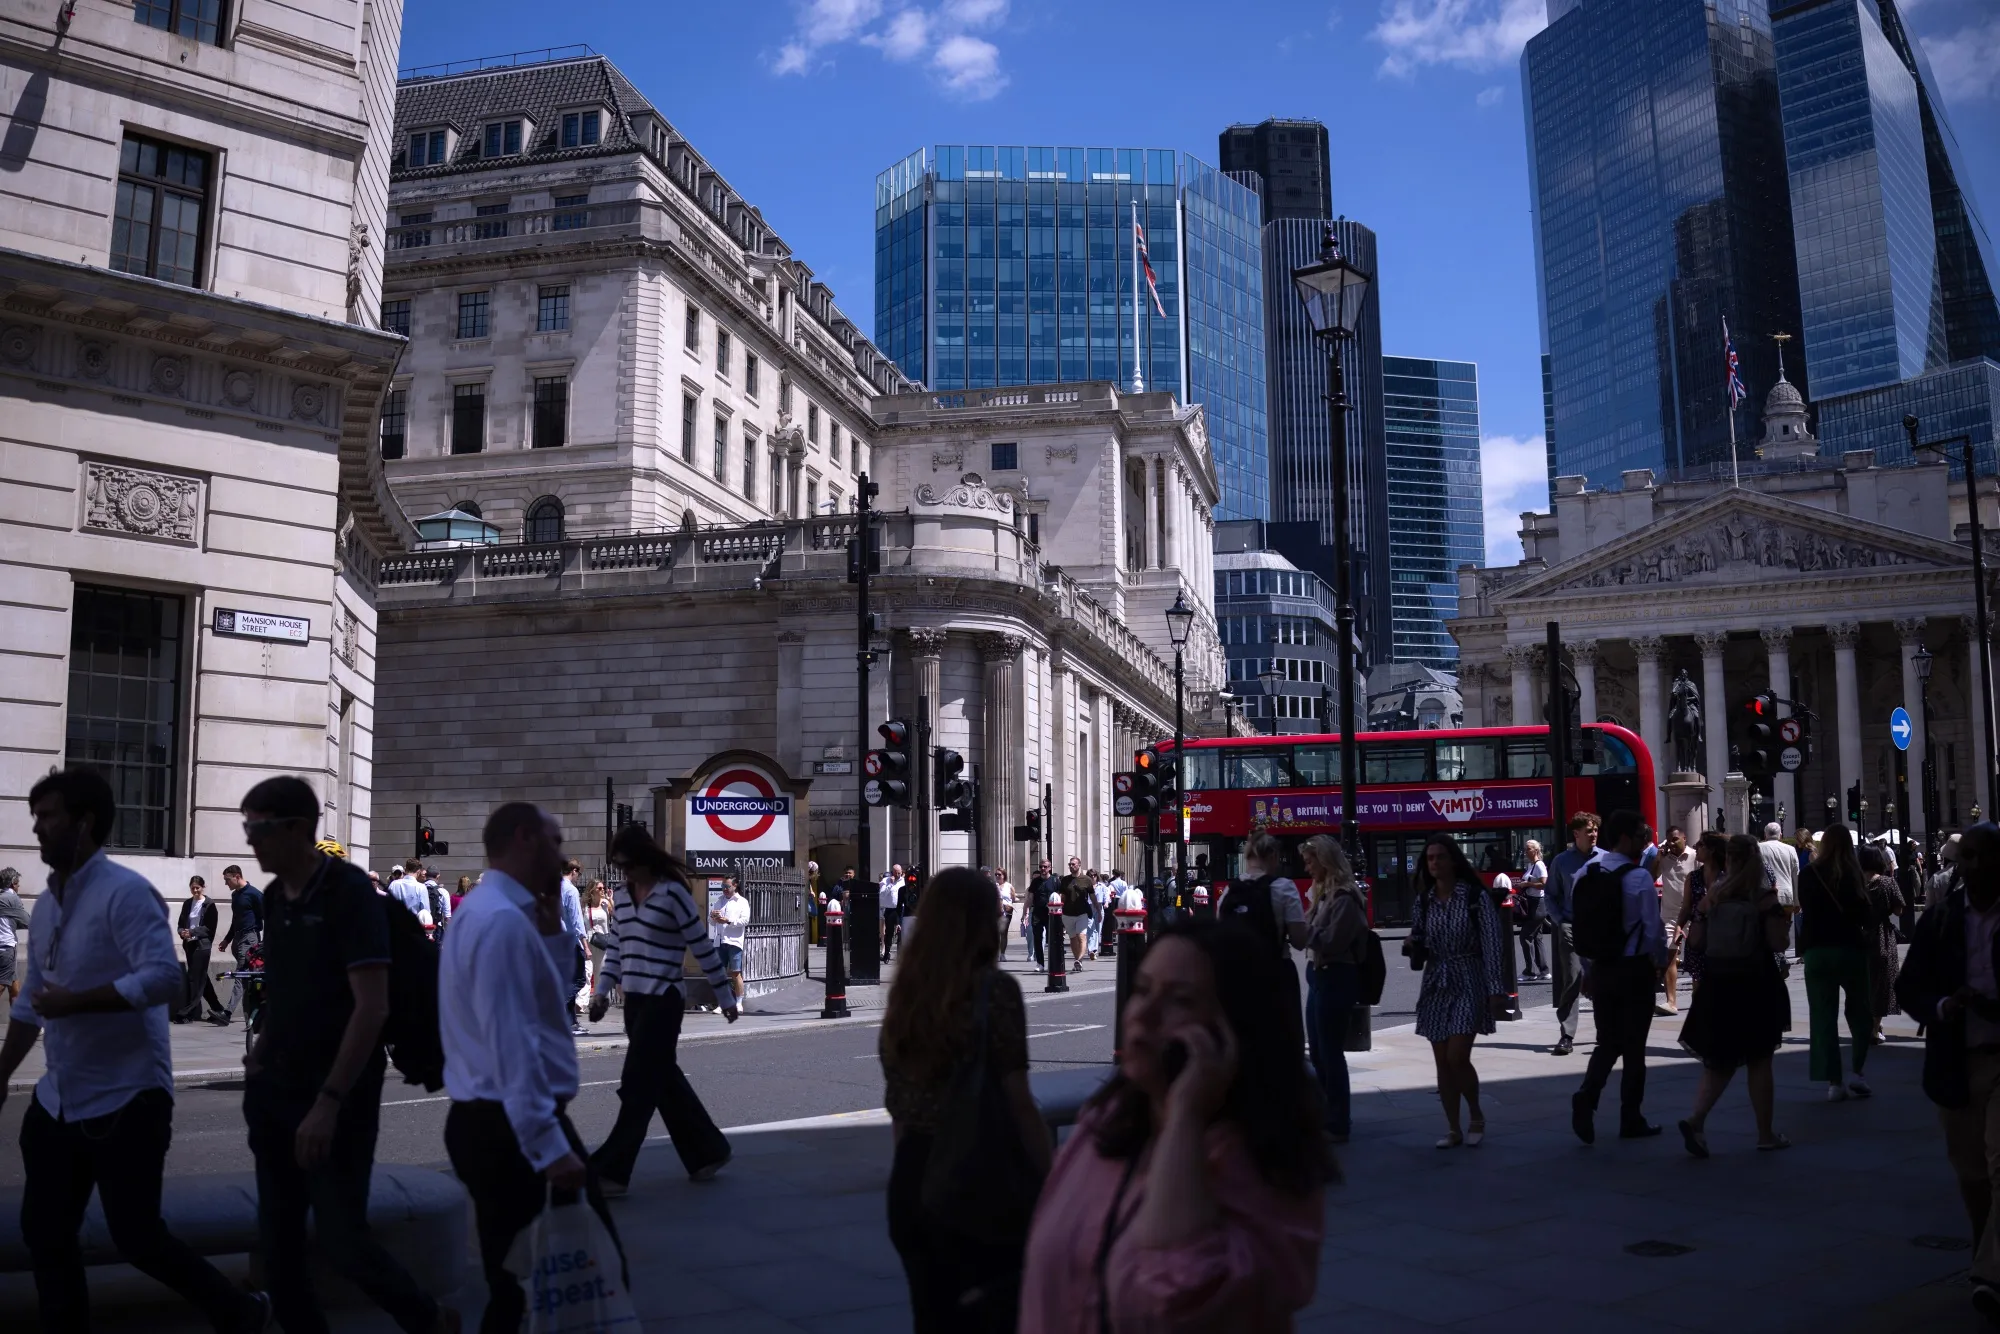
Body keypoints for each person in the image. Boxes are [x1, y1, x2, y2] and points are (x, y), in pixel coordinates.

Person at [0, 767, 273, 1333]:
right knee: (46, 1233)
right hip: (58, 1102)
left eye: (48, 817)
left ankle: (242, 1313)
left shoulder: (126, 893)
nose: (37, 829)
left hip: (130, 1100)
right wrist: (2, 1074)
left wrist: (78, 1002)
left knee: (138, 1238)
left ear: (85, 822)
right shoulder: (46, 905)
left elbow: (163, 981)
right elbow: (31, 1003)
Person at [1017, 918, 1329, 1332]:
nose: (1143, 1014)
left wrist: (1185, 1117)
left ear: (1234, 1032)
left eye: (1180, 1001)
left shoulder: (1267, 1171)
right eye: (1142, 989)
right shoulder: (1103, 1124)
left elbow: (1182, 1299)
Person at [237, 776, 456, 1334]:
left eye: (256, 828)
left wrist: (329, 1102)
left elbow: (371, 1007)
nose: (249, 841)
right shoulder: (278, 899)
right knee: (279, 1249)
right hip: (277, 1090)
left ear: (294, 828)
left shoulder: (347, 893)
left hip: (337, 1091)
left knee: (342, 1240)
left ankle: (427, 1319)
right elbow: (285, 994)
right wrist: (259, 1058)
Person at [444, 803, 622, 1334]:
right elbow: (511, 1042)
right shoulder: (500, 923)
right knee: (586, 1278)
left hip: (495, 1122)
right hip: (514, 1128)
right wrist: (548, 1146)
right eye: (554, 840)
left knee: (517, 1289)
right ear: (524, 839)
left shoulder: (487, 911)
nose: (562, 854)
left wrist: (550, 936)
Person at [881, 867, 1052, 1331]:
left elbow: (899, 1106)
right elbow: (1017, 1100)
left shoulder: (905, 994)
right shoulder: (995, 991)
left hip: (913, 1177)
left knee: (931, 1315)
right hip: (976, 1171)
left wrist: (913, 1176)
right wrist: (1052, 1178)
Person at [588, 824, 741, 1192]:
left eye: (628, 866)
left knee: (638, 1083)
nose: (624, 874)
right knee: (661, 1079)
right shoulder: (623, 899)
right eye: (619, 868)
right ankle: (708, 1150)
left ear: (644, 860)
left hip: (664, 1000)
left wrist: (724, 996)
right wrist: (601, 993)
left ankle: (612, 1170)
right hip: (635, 1003)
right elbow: (617, 952)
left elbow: (701, 946)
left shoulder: (673, 894)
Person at [1899, 823, 2000, 1324]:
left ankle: (1988, 1273)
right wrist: (1942, 1006)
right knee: (1972, 1175)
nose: (1975, 868)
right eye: (1968, 859)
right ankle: (1987, 1256)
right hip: (1957, 1059)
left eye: (1984, 858)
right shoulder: (1940, 921)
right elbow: (1909, 988)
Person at [1674, 833, 1791, 1157]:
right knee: (1759, 1060)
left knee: (1720, 1060)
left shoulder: (1713, 896)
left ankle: (1696, 1119)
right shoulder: (1763, 896)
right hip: (1755, 982)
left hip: (1718, 983)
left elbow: (1695, 941)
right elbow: (1778, 943)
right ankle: (1765, 1133)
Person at [1571, 809, 1669, 1144]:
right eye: (1642, 836)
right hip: (1634, 970)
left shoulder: (1585, 873)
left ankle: (1587, 1095)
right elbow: (1653, 930)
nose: (1646, 843)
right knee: (1634, 1049)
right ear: (1625, 838)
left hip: (1602, 971)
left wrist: (1588, 971)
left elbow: (1581, 928)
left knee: (1607, 1042)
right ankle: (1631, 1117)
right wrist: (1659, 962)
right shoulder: (1638, 877)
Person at [1409, 835, 1506, 1148]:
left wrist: (1495, 991)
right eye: (1429, 858)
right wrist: (1413, 945)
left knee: (1457, 1056)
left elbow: (1493, 946)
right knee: (1441, 1062)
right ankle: (1453, 1128)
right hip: (1436, 980)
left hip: (1469, 978)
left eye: (1440, 857)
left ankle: (1476, 1113)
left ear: (1453, 860)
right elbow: (1419, 938)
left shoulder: (1475, 897)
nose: (1434, 863)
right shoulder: (1423, 901)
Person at [1800, 824, 1878, 1101]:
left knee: (1823, 1016)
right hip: (1850, 948)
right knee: (1860, 1012)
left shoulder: (1809, 873)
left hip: (1818, 950)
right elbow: (1866, 914)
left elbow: (1805, 910)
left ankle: (1834, 1081)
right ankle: (1857, 1072)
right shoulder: (1854, 873)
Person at [1302, 834, 1367, 1144]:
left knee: (1330, 1053)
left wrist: (1304, 931)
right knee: (1317, 1052)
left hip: (1337, 976)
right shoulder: (1323, 894)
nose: (1307, 866)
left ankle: (1340, 1121)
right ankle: (1328, 1113)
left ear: (1325, 861)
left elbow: (1332, 941)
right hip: (1318, 975)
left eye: (1310, 860)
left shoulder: (1345, 898)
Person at [1548, 812, 1602, 1056]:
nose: (1593, 835)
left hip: (1599, 930)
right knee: (1571, 980)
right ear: (1576, 834)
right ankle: (1567, 1035)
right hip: (1571, 927)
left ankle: (1605, 1031)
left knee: (1602, 981)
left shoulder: (1607, 860)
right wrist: (1560, 922)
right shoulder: (1561, 861)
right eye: (1588, 831)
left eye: (1595, 830)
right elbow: (1550, 895)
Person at [1858, 845, 1904, 1042]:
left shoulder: (1855, 883)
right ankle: (1875, 1028)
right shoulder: (1887, 883)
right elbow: (1899, 910)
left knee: (1863, 984)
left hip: (1859, 936)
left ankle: (1868, 1024)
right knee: (1883, 983)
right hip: (1882, 936)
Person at [1675, 832, 1729, 999]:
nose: (1696, 847)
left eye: (1700, 844)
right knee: (1698, 986)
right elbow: (1686, 907)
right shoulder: (1694, 877)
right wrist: (1678, 927)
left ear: (1712, 850)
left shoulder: (1728, 877)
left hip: (1724, 939)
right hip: (1699, 939)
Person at [1656, 826, 1696, 1015]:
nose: (1671, 844)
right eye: (1669, 840)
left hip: (1693, 914)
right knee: (1670, 956)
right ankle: (1671, 1001)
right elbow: (1650, 875)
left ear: (1684, 838)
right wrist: (1658, 857)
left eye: (1675, 839)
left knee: (1696, 956)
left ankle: (1699, 998)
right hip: (1670, 916)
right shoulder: (1664, 859)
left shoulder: (1695, 857)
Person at [216, 864, 263, 1026]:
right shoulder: (236, 896)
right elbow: (235, 920)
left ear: (237, 877)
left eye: (227, 880)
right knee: (247, 978)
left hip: (250, 939)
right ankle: (251, 1015)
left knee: (241, 974)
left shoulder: (254, 894)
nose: (225, 884)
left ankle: (227, 1013)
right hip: (237, 939)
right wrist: (227, 939)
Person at [173, 875, 223, 1024]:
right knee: (202, 979)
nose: (195, 890)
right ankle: (218, 1009)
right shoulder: (188, 903)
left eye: (197, 888)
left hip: (202, 946)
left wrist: (193, 932)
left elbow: (209, 928)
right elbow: (181, 923)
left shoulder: (209, 904)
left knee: (194, 979)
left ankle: (187, 1013)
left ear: (203, 887)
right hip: (189, 945)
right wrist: (182, 932)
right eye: (192, 888)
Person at [1759, 822, 1802, 958]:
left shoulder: (1758, 848)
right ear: (1780, 835)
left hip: (1766, 896)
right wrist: (1797, 900)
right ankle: (1781, 956)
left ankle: (1772, 958)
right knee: (1783, 930)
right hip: (1786, 896)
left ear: (1765, 834)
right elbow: (1796, 875)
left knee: (1766, 930)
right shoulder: (1790, 849)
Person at [708, 877, 751, 1006]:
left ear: (735, 885)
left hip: (734, 941)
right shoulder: (719, 901)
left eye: (727, 887)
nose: (725, 890)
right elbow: (711, 922)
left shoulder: (742, 902)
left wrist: (728, 921)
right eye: (723, 887)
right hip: (720, 941)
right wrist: (713, 916)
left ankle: (738, 1003)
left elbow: (745, 921)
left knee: (735, 973)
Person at [559, 860, 590, 1032]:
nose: (579, 877)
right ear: (574, 871)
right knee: (579, 979)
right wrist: (585, 944)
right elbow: (577, 919)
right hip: (571, 940)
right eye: (579, 874)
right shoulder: (570, 890)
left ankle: (570, 1022)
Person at [1516, 839, 1549, 980]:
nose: (1525, 851)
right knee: (1537, 937)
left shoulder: (1540, 865)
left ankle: (1530, 971)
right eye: (1525, 849)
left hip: (1538, 904)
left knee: (1525, 936)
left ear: (1536, 850)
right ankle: (1544, 970)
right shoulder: (1531, 865)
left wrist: (1527, 884)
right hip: (1532, 903)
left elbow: (1543, 884)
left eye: (1528, 849)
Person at [0, 867, 29, 1003]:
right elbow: (26, 921)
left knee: (15, 990)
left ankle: (17, 1023)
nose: (19, 886)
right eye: (17, 883)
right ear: (12, 883)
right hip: (6, 949)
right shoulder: (12, 898)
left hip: (4, 949)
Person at [1060, 856, 1092, 971]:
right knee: (1073, 938)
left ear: (1079, 865)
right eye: (1070, 864)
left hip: (1082, 913)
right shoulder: (1065, 880)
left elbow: (1092, 896)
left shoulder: (1087, 880)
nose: (1071, 866)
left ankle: (1079, 960)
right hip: (1068, 913)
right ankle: (1077, 960)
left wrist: (1098, 910)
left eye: (1073, 864)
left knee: (1081, 936)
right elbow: (1062, 896)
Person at [1028, 859, 1056, 966]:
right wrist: (1026, 912)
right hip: (1037, 913)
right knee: (1037, 938)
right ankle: (1040, 963)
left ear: (1049, 868)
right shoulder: (1035, 882)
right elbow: (1030, 897)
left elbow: (1060, 897)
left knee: (1052, 939)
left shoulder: (1055, 881)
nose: (1042, 869)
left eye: (1045, 867)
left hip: (1051, 914)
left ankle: (1053, 963)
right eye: (1041, 867)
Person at [388, 861, 430, 926]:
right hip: (413, 927)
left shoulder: (393, 884)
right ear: (418, 872)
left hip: (394, 926)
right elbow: (426, 912)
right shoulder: (421, 887)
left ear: (405, 869)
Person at [881, 862, 905, 963]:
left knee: (901, 932)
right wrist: (890, 884)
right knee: (889, 933)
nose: (897, 875)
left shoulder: (903, 882)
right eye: (895, 873)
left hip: (900, 909)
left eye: (899, 873)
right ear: (892, 872)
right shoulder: (885, 881)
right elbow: (882, 895)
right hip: (890, 909)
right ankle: (887, 953)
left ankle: (900, 955)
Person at [996, 869, 1016, 959]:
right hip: (995, 911)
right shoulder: (993, 885)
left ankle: (1002, 954)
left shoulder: (1009, 886)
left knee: (1003, 933)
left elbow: (1013, 898)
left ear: (1004, 875)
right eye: (996, 874)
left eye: (999, 874)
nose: (997, 876)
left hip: (1006, 911)